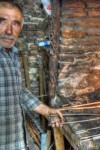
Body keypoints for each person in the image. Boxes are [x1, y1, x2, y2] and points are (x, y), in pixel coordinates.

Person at [0, 1, 64, 149]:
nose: (9, 31)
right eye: (2, 21)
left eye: (15, 23)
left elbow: (19, 91)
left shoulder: (12, 54)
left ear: (21, 27)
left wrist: (47, 111)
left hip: (15, 141)